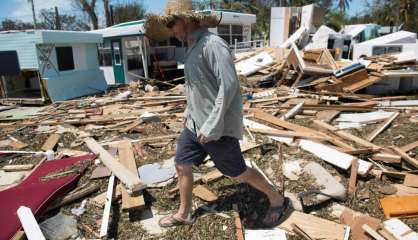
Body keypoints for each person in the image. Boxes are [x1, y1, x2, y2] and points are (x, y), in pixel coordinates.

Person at [145, 9, 290, 229]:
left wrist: (212, 124)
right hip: (195, 125)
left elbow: (229, 85)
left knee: (238, 173)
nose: (170, 31)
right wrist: (188, 114)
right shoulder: (192, 46)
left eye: (172, 24)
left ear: (185, 20)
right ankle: (183, 213)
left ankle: (276, 198)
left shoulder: (213, 44)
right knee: (182, 164)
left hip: (216, 127)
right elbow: (197, 87)